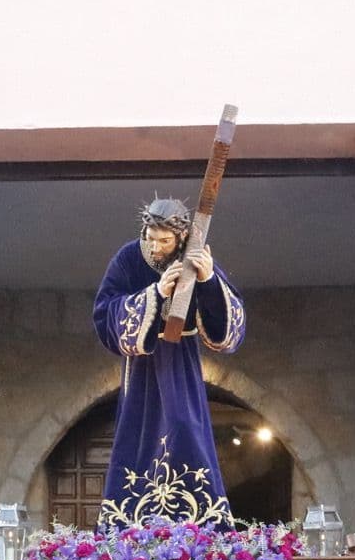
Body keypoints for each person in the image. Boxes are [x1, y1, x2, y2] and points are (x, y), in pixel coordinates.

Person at [91, 197, 246, 528]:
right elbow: (105, 312)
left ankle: (198, 523)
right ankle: (132, 525)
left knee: (185, 427)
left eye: (164, 240)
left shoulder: (195, 255)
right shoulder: (129, 257)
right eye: (151, 237)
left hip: (182, 364)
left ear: (181, 236)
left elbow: (230, 328)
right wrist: (156, 292)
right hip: (143, 366)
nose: (156, 246)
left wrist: (207, 280)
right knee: (138, 434)